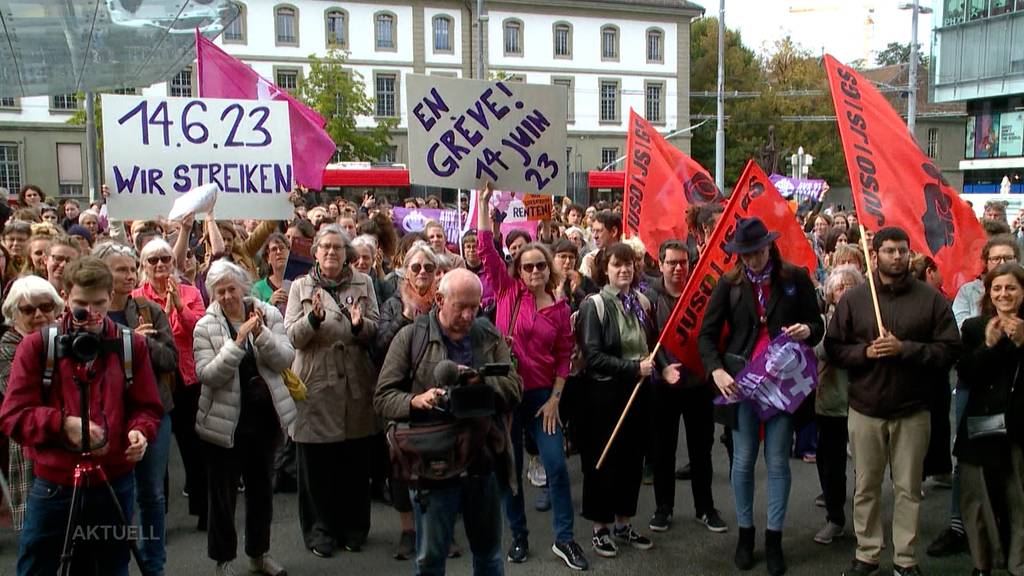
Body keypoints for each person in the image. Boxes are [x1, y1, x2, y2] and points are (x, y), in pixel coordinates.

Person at [0, 256, 162, 576]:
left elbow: (148, 407)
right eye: (80, 304)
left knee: (111, 567)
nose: (90, 314)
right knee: (38, 568)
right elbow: (13, 416)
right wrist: (62, 424)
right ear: (65, 297)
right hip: (55, 485)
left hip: (113, 481)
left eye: (99, 304)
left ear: (111, 295)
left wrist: (140, 432)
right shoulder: (37, 347)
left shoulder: (131, 346)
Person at [826, 226, 962, 576]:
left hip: (913, 409)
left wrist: (906, 350)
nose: (897, 256)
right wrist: (866, 352)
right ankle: (867, 553)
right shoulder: (855, 298)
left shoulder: (930, 299)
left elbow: (950, 350)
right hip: (866, 408)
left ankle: (905, 557)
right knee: (866, 487)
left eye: (902, 250)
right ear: (876, 255)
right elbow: (834, 347)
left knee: (908, 490)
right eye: (889, 251)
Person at [375, 268, 522, 576]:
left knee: (489, 555)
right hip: (432, 463)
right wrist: (416, 401)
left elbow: (514, 388)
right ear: (439, 300)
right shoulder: (411, 336)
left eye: (475, 306)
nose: (469, 315)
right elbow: (383, 397)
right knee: (430, 559)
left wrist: (481, 383)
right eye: (461, 307)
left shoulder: (489, 335)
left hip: (482, 461)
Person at [698, 217, 823, 576]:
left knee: (779, 461)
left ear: (769, 246)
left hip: (782, 386)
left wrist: (807, 330)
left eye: (757, 251)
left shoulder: (795, 278)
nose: (752, 259)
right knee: (743, 460)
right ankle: (745, 535)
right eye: (745, 253)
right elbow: (706, 336)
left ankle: (773, 539)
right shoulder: (729, 284)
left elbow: (817, 326)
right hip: (742, 384)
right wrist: (716, 370)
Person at [475, 186, 588, 570]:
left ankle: (565, 539)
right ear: (518, 270)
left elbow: (563, 358)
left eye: (541, 265)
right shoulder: (508, 291)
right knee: (510, 472)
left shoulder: (559, 308)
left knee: (555, 466)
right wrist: (483, 202)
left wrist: (557, 396)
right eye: (528, 266)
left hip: (544, 398)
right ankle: (519, 537)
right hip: (508, 394)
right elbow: (484, 248)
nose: (535, 271)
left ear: (550, 268)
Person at [193, 260, 296, 576]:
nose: (226, 296)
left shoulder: (270, 313)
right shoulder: (205, 326)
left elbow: (284, 358)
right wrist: (237, 344)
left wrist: (261, 332)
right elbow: (207, 374)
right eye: (219, 291)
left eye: (231, 289)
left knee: (261, 491)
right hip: (225, 423)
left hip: (264, 421)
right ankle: (223, 559)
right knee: (223, 497)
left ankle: (259, 553)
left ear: (243, 288)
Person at [285, 224, 381, 558]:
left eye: (337, 248)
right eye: (324, 247)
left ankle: (354, 528)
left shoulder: (364, 282)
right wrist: (312, 320)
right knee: (316, 462)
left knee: (354, 460)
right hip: (316, 381)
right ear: (315, 252)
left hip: (355, 379)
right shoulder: (300, 286)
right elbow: (292, 337)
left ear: (347, 254)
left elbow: (374, 329)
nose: (331, 252)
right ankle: (319, 530)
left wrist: (358, 325)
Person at [932, 235, 1021, 558]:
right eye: (995, 260)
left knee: (1014, 482)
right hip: (980, 408)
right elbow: (965, 364)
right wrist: (990, 343)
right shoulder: (972, 312)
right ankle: (966, 536)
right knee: (974, 477)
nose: (1003, 292)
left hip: (1017, 414)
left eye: (1007, 258)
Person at [94, 242, 179, 576]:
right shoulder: (91, 315)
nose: (129, 275)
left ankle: (153, 565)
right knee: (115, 498)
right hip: (107, 416)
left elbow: (170, 360)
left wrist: (143, 342)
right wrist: (127, 336)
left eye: (132, 269)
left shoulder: (148, 310)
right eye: (121, 269)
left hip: (152, 413)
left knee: (152, 495)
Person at [576, 241, 656, 559]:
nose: (624, 269)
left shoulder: (641, 302)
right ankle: (600, 528)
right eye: (616, 264)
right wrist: (634, 367)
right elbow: (592, 356)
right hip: (604, 395)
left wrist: (659, 368)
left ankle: (624, 523)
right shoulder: (593, 305)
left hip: (638, 392)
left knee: (631, 460)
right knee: (603, 460)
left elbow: (651, 344)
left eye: (628, 264)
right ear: (604, 269)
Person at [646, 239, 727, 535]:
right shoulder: (649, 297)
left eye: (683, 262)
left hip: (698, 384)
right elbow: (649, 339)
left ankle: (704, 507)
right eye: (672, 263)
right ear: (660, 265)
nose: (678, 268)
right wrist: (663, 367)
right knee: (663, 450)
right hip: (663, 386)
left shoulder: (701, 294)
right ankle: (663, 508)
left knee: (701, 450)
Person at [133, 238, 209, 530]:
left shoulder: (190, 292)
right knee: (158, 455)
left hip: (187, 379)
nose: (161, 264)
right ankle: (157, 518)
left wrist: (179, 305)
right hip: (155, 383)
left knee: (195, 449)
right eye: (153, 260)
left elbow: (199, 329)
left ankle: (204, 510)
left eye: (166, 258)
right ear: (144, 266)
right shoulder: (137, 297)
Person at [956, 263, 1024, 576]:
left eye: (1011, 287)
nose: (1003, 294)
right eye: (997, 288)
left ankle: (1017, 563)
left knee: (1018, 499)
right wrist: (988, 345)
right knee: (978, 501)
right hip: (981, 427)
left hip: (1019, 426)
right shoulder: (973, 326)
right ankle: (981, 565)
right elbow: (966, 375)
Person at [0, 276, 64, 534]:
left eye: (46, 307)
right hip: (31, 446)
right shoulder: (7, 348)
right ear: (13, 314)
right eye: (28, 309)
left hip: (68, 445)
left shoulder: (66, 337)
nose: (39, 314)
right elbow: (24, 399)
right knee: (38, 534)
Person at [813, 265, 864, 546]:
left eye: (850, 285)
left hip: (862, 401)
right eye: (839, 286)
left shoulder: (870, 319)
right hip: (830, 402)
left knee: (865, 467)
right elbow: (818, 352)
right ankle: (835, 518)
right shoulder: (823, 321)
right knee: (830, 464)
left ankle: (862, 520)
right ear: (830, 293)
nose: (844, 290)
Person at [252, 232, 290, 316]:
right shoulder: (258, 288)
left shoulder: (298, 282)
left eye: (282, 248)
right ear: (268, 258)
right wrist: (270, 302)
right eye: (274, 249)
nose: (279, 252)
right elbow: (254, 318)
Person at [578, 211, 621, 279]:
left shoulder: (630, 257)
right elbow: (584, 288)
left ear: (613, 231)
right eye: (593, 231)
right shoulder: (589, 260)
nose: (595, 236)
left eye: (599, 231)